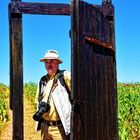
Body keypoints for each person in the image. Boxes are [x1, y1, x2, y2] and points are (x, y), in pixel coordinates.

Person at [34, 50, 71, 140]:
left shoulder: (64, 76)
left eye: (52, 61)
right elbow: (37, 100)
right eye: (46, 62)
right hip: (45, 127)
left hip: (59, 128)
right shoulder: (42, 80)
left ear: (58, 63)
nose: (49, 64)